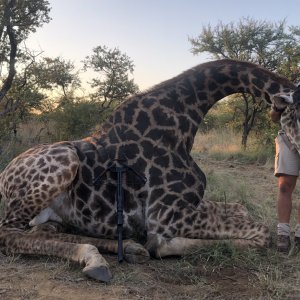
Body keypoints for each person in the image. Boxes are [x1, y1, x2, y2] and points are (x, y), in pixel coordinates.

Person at [270, 104, 300, 253]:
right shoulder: (291, 89)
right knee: (284, 186)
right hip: (288, 140)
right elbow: (274, 117)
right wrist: (277, 107)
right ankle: (283, 233)